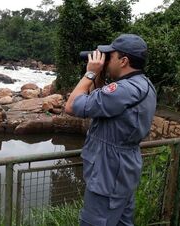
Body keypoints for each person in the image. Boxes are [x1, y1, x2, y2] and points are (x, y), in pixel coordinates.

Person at [64, 34, 157, 225]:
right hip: (123, 170)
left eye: (110, 56)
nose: (105, 59)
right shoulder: (143, 84)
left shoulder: (124, 90)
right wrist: (100, 76)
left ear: (124, 61)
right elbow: (102, 103)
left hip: (107, 174)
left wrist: (89, 73)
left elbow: (71, 106)